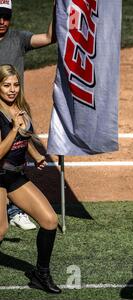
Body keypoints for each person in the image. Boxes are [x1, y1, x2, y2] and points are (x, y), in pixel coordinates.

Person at [0, 64, 61, 294]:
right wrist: (14, 129)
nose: (12, 89)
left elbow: (24, 139)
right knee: (0, 229)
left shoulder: (20, 107)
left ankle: (40, 275)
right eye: (6, 85)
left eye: (16, 84)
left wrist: (36, 156)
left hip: (14, 176)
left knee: (49, 220)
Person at [0, 0, 55, 230]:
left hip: (12, 110)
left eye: (5, 16)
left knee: (12, 155)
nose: (1, 21)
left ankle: (12, 207)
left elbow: (49, 37)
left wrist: (56, 6)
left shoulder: (18, 38)